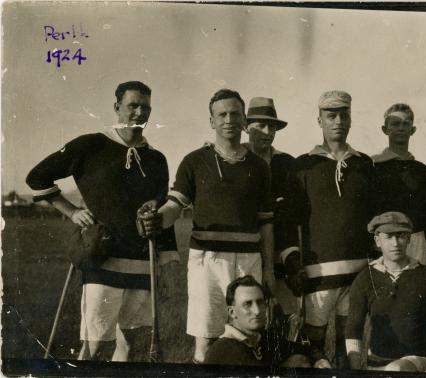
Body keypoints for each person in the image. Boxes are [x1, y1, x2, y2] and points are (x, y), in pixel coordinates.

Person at [25, 81, 179, 361]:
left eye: (145, 107)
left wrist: (166, 263)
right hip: (102, 259)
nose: (139, 112)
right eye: (133, 105)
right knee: (95, 348)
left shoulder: (157, 159)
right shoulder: (90, 145)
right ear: (117, 107)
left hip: (143, 263)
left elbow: (158, 211)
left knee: (132, 348)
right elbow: (37, 178)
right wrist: (72, 211)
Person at [137, 89, 275, 363]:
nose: (228, 119)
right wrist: (157, 220)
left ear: (244, 120)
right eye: (221, 114)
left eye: (235, 113)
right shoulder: (194, 161)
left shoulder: (259, 167)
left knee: (249, 336)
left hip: (249, 259)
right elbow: (175, 205)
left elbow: (267, 223)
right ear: (211, 121)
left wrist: (268, 270)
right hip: (207, 260)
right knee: (206, 340)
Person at [281, 90, 374, 368]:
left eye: (344, 114)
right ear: (318, 120)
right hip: (318, 275)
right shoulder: (303, 166)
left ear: (351, 118)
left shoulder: (364, 164)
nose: (338, 121)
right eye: (330, 115)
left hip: (358, 275)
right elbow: (288, 221)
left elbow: (373, 217)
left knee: (351, 349)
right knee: (315, 351)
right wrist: (292, 259)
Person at [345, 212, 426, 372]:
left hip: (417, 360)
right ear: (377, 241)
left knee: (397, 368)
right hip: (377, 363)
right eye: (389, 237)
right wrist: (355, 370)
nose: (395, 243)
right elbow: (353, 328)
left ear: (409, 239)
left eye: (401, 236)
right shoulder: (365, 278)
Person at [242, 97, 298, 316]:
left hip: (280, 250)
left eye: (272, 126)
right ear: (246, 127)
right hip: (246, 250)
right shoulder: (236, 158)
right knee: (249, 311)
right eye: (261, 126)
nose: (268, 132)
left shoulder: (287, 163)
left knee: (282, 312)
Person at [371, 103, 426, 268]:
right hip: (385, 241)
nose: (401, 128)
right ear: (385, 129)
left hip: (416, 241)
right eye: (395, 124)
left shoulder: (422, 170)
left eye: (405, 124)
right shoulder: (372, 167)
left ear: (412, 130)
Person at [204, 275, 314, 368]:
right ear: (232, 312)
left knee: (299, 360)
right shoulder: (227, 349)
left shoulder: (259, 337)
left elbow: (305, 349)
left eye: (260, 302)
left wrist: (320, 361)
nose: (257, 311)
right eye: (247, 304)